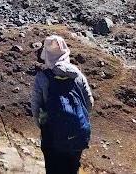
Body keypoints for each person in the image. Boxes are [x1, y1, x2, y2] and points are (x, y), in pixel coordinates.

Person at [31, 35, 93, 174]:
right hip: (77, 133)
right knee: (72, 169)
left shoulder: (42, 77)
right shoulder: (77, 74)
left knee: (53, 169)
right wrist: (76, 118)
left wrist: (43, 126)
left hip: (52, 136)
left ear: (45, 54)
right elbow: (89, 103)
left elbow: (35, 107)